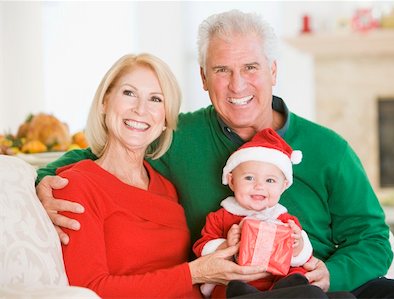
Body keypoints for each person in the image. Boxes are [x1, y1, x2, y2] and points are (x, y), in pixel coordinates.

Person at [36, 10, 394, 299]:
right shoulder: (176, 135)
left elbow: (373, 239)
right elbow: (104, 153)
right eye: (221, 70)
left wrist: (331, 273)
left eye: (250, 67)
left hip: (324, 282)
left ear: (273, 70)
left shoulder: (329, 149)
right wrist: (44, 182)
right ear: (203, 78)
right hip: (238, 288)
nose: (237, 85)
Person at [47, 53, 268, 298]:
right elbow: (90, 290)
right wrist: (194, 274)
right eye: (129, 93)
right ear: (104, 102)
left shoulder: (165, 186)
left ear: (165, 119)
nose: (141, 109)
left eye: (155, 99)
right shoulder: (76, 186)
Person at [193, 128, 314, 298]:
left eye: (270, 180)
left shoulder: (285, 220)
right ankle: (243, 293)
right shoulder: (221, 217)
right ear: (232, 181)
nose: (259, 186)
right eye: (249, 178)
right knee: (227, 289)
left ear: (284, 186)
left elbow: (302, 256)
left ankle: (289, 288)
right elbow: (202, 248)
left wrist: (297, 243)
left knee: (297, 277)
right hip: (236, 281)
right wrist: (226, 245)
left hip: (276, 281)